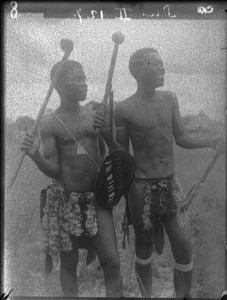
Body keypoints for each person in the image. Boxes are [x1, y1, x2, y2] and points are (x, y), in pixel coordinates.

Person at [114, 47, 224, 298]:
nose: (163, 68)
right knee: (143, 245)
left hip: (169, 183)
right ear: (138, 71)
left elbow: (182, 138)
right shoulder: (124, 108)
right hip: (140, 186)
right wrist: (105, 137)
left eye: (163, 63)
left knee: (183, 245)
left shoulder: (170, 99)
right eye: (156, 64)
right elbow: (121, 153)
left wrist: (211, 141)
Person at [20, 59, 123, 297]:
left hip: (98, 199)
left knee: (112, 261)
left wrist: (107, 132)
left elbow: (118, 155)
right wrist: (35, 155)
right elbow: (55, 170)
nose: (84, 83)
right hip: (66, 201)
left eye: (84, 77)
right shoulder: (50, 123)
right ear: (58, 86)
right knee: (68, 264)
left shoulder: (95, 115)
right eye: (76, 79)